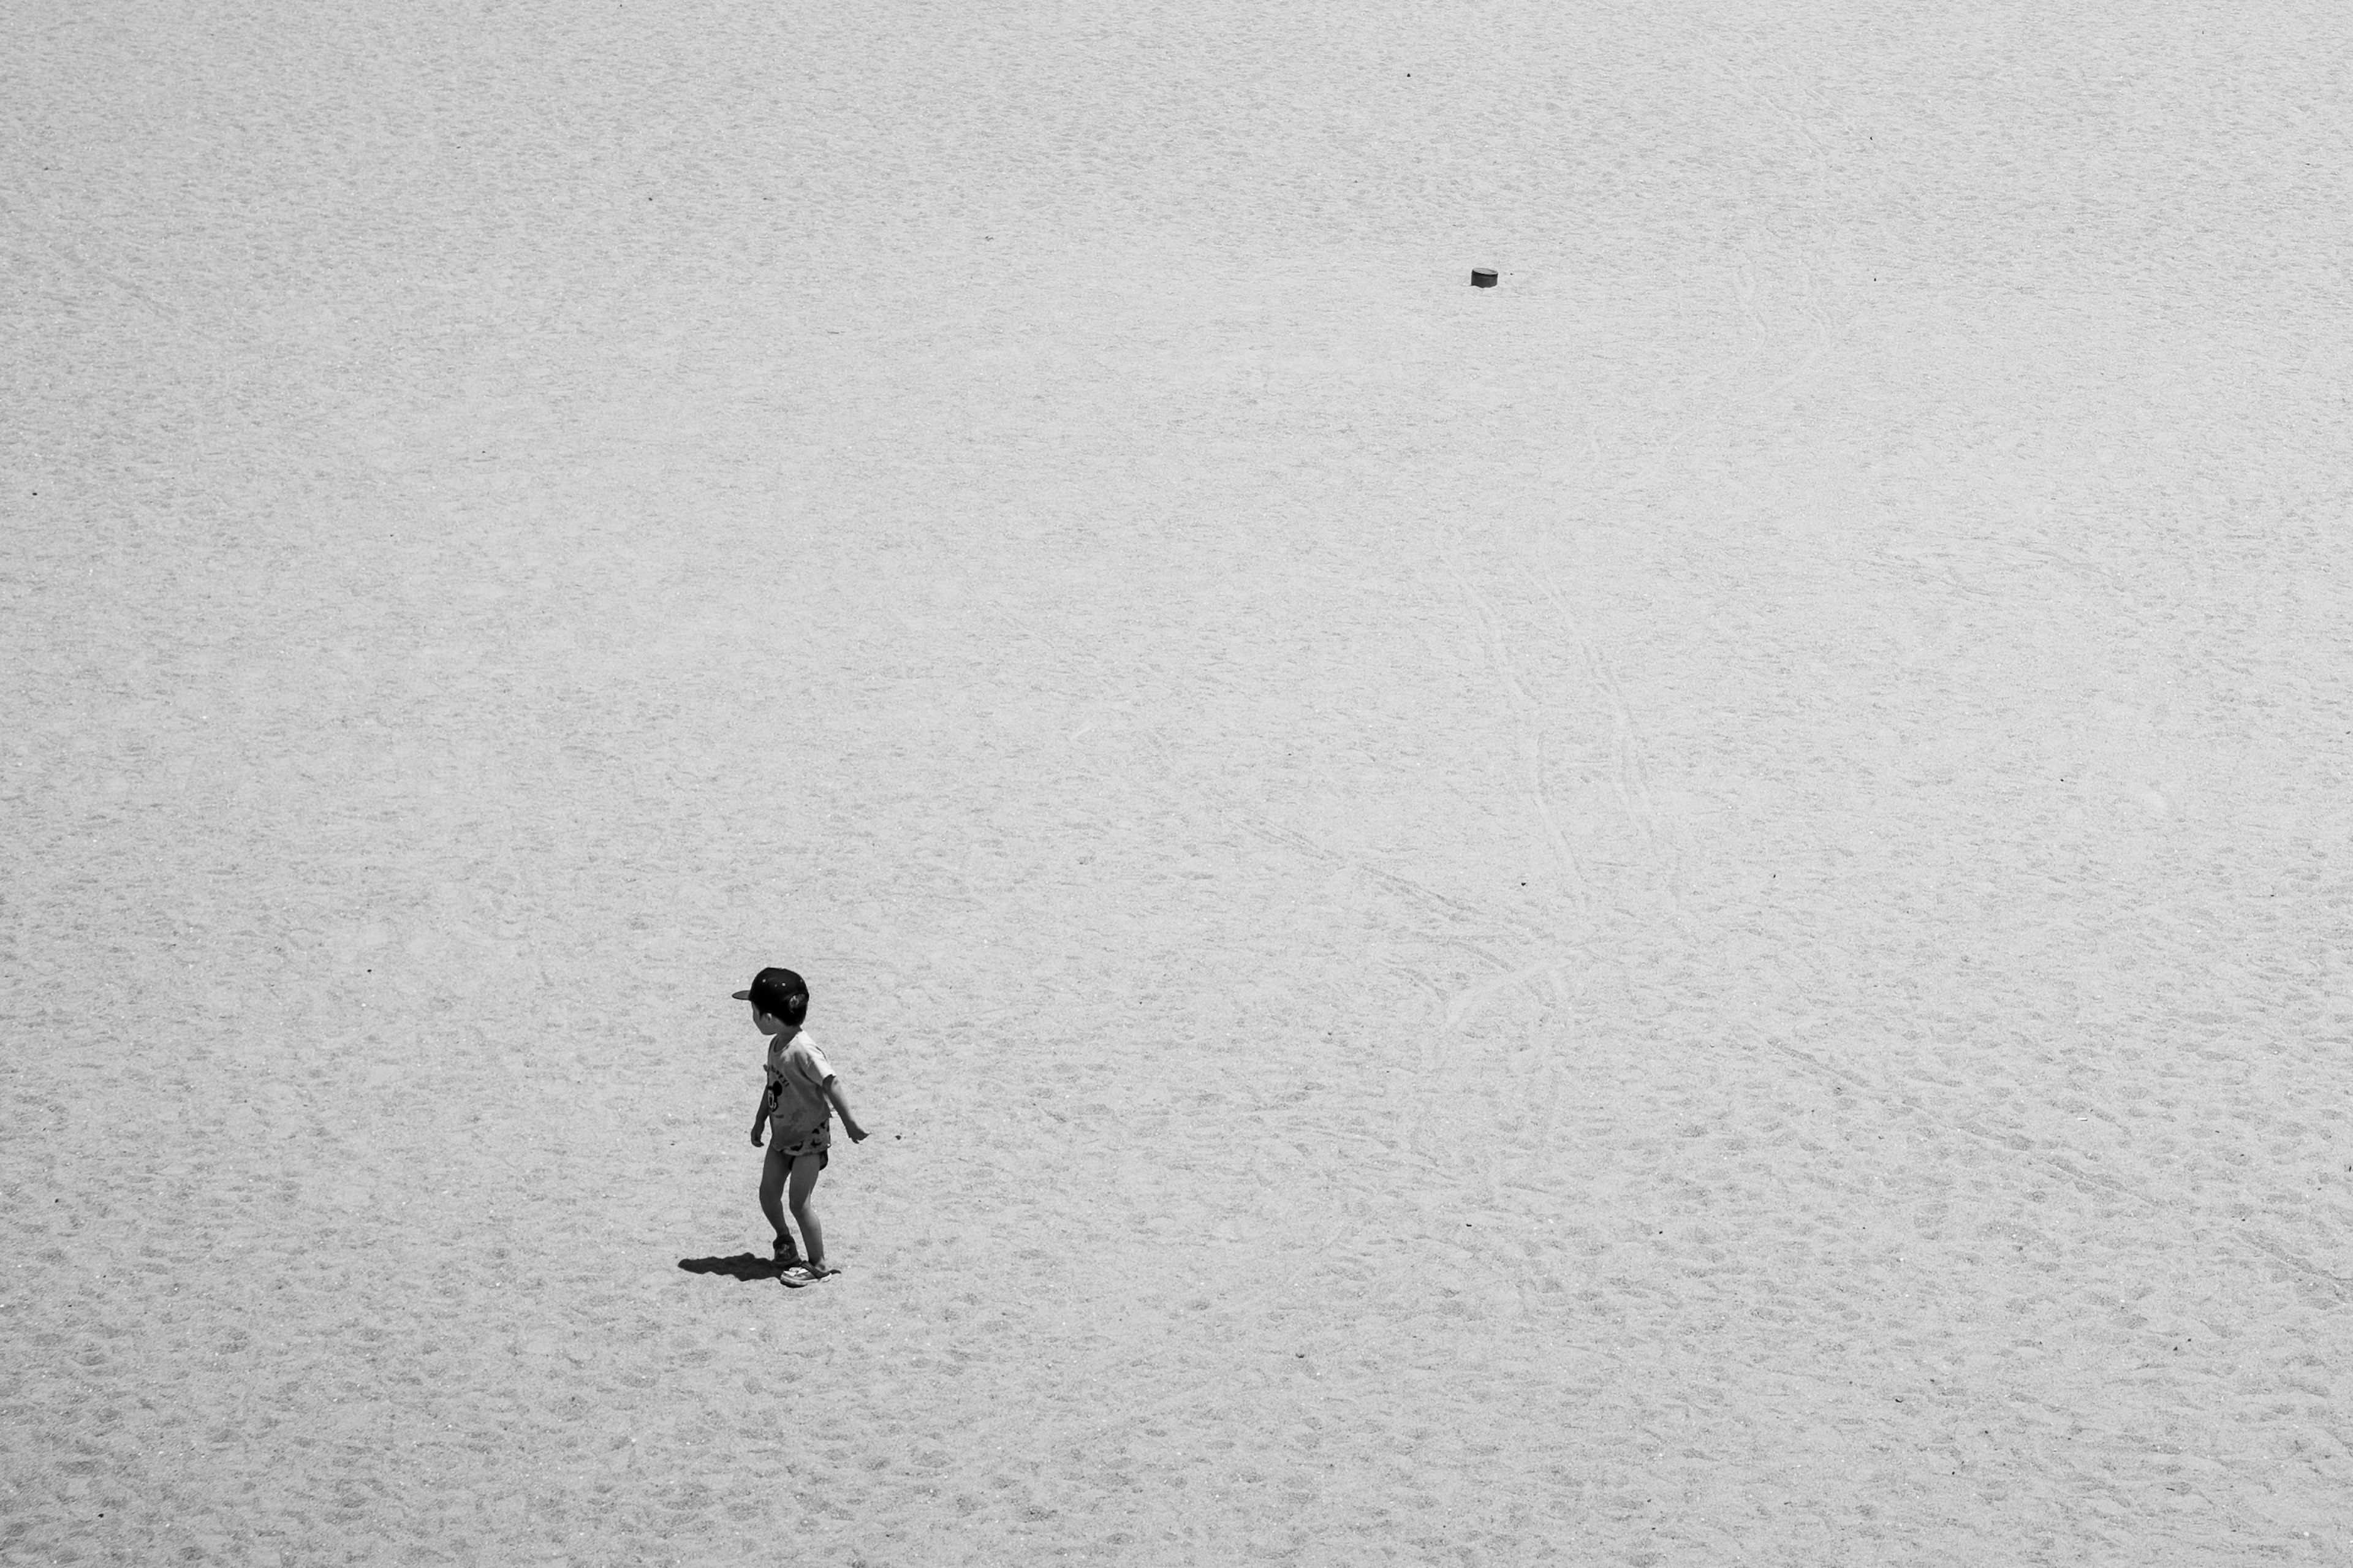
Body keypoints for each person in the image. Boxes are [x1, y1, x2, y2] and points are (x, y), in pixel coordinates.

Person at [736, 966, 869, 1286]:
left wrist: (850, 1123)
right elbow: (773, 1084)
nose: (752, 1016)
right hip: (782, 1135)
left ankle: (819, 1263)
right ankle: (785, 1243)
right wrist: (759, 1119)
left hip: (810, 1138)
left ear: (768, 1018)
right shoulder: (777, 1044)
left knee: (798, 1202)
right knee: (768, 1194)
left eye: (753, 1010)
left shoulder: (804, 1049)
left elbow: (831, 1082)